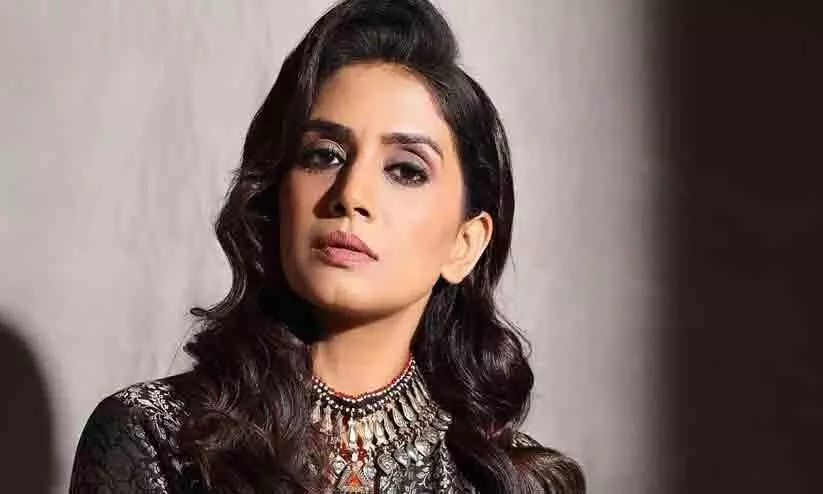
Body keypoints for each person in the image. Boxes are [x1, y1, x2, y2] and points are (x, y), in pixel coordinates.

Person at [68, 0, 585, 492]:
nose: (351, 194)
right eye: (324, 156)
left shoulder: (519, 482)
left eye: (405, 170)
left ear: (464, 244)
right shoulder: (155, 439)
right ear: (277, 197)